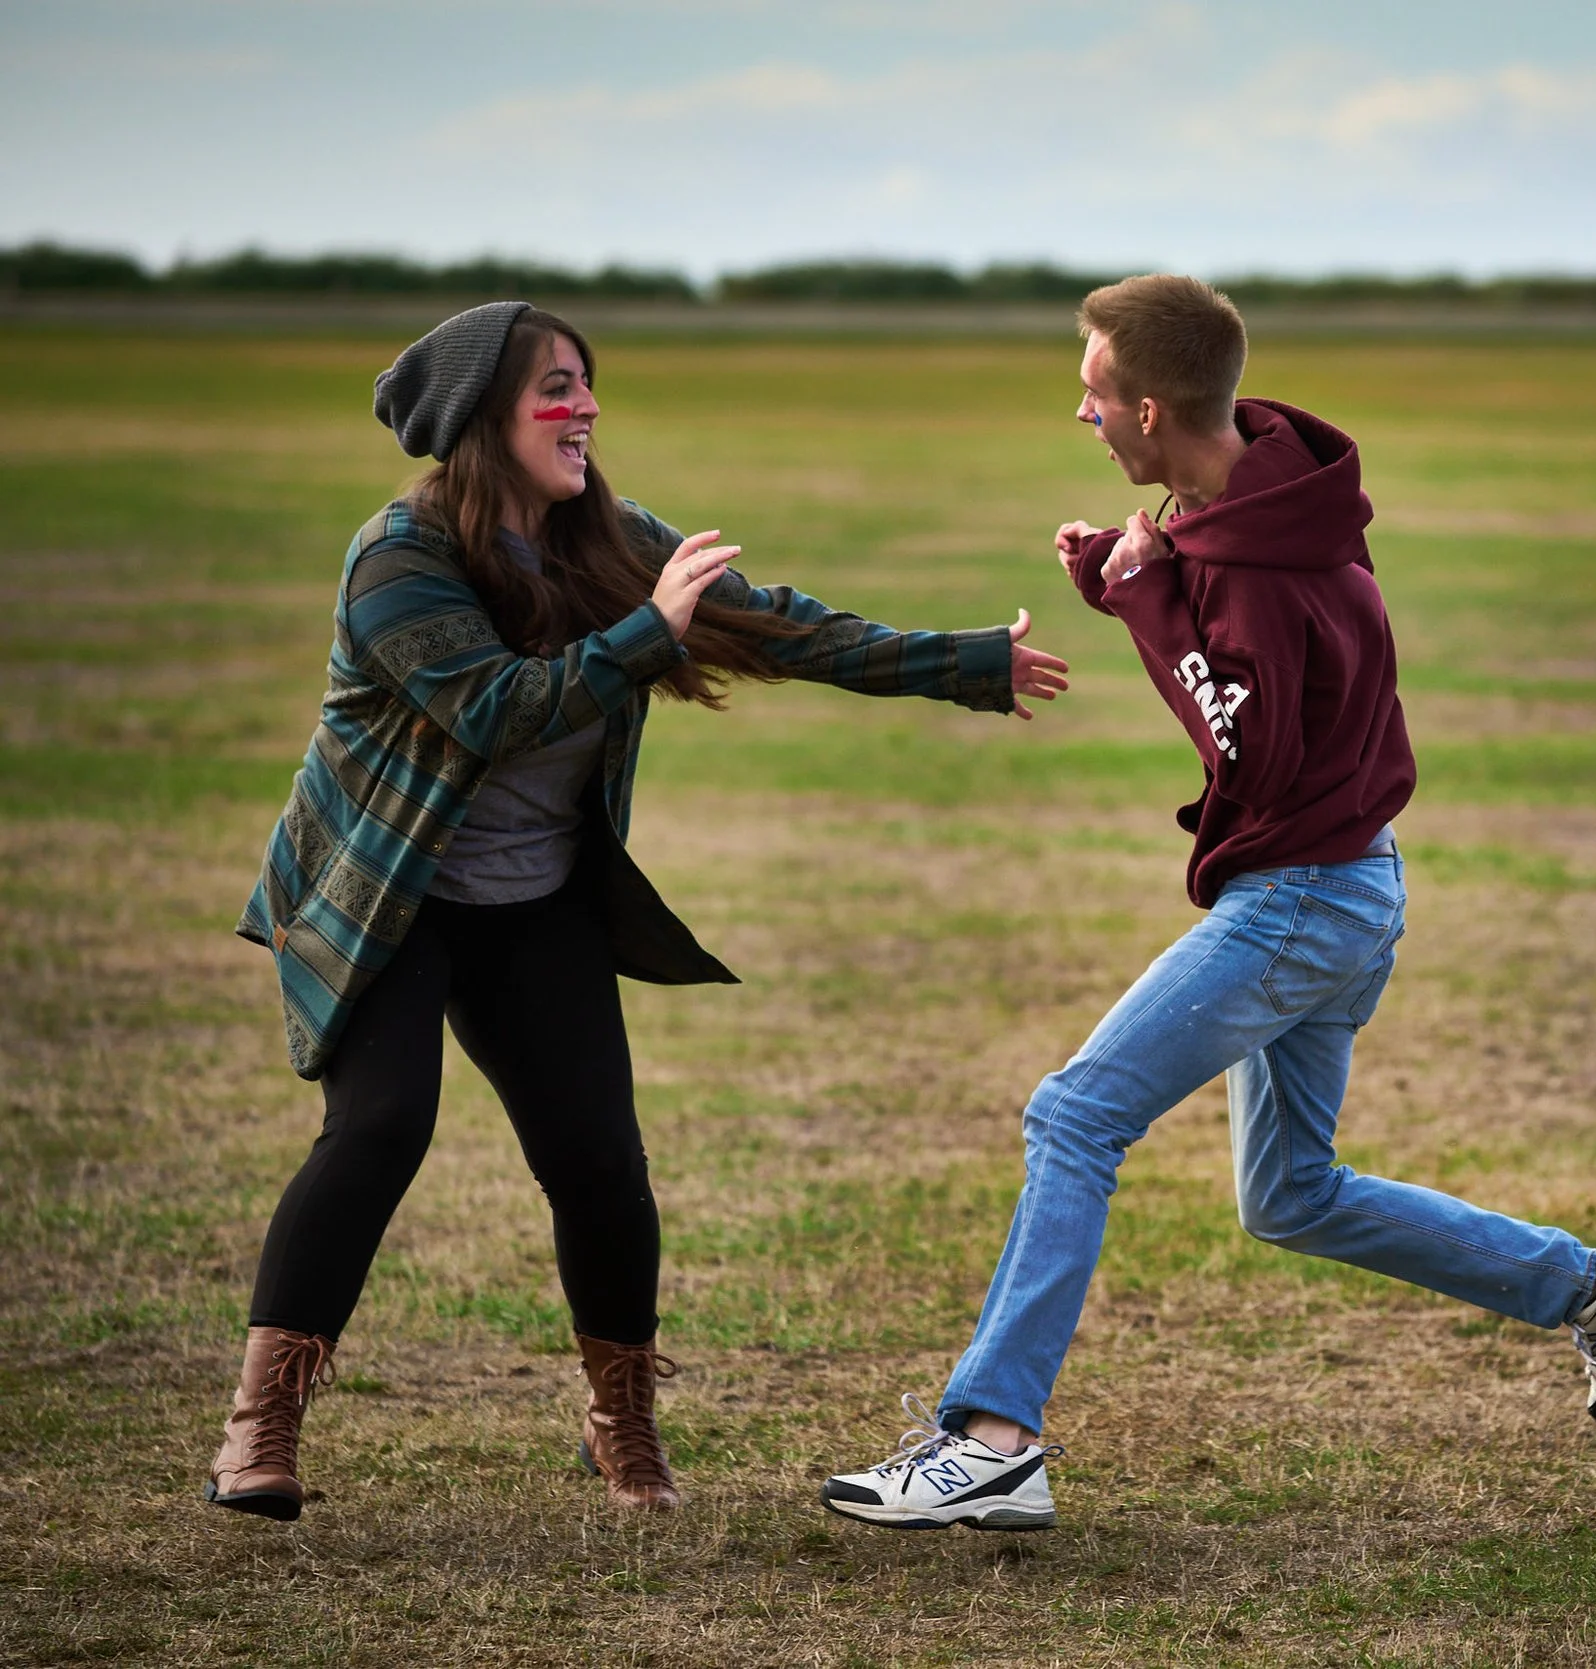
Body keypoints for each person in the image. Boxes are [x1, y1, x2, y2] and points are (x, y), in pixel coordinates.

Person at [819, 275, 1596, 1533]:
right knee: (1291, 1193)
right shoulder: (1271, 500)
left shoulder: (1256, 568)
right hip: (1352, 882)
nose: (1082, 415)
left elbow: (1245, 749)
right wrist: (1143, 581)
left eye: (1093, 391)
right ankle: (1591, 1287)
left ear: (1153, 408)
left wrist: (1145, 597)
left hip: (1300, 901)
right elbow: (1238, 675)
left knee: (1073, 1117)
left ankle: (991, 1440)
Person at [206, 301, 1069, 1521]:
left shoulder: (611, 540)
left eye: (586, 385)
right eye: (553, 388)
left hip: (532, 898)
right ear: (479, 418)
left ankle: (623, 1427)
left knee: (601, 1163)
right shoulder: (398, 558)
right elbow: (500, 707)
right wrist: (643, 630)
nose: (585, 408)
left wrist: (967, 664)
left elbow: (779, 626)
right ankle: (260, 1430)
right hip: (385, 893)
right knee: (382, 1125)